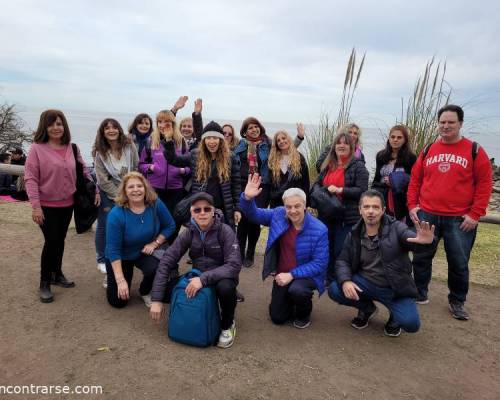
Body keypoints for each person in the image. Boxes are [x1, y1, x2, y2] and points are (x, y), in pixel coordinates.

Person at [407, 104, 493, 320]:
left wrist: (476, 214)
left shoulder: (474, 150)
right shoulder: (429, 149)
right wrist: (412, 206)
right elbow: (415, 179)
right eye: (442, 122)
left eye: (451, 122)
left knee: (458, 261)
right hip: (427, 214)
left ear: (460, 124)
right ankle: (420, 292)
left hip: (459, 219)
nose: (446, 126)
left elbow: (485, 183)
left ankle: (457, 300)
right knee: (421, 257)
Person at [328, 190, 435, 337]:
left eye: (375, 207)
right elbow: (342, 260)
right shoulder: (354, 232)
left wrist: (425, 242)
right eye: (366, 207)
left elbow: (411, 240)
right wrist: (346, 281)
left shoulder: (397, 228)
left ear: (383, 210)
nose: (370, 211)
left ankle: (394, 315)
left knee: (411, 324)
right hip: (365, 283)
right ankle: (367, 308)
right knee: (335, 288)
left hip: (394, 288)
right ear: (360, 210)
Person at [24, 109, 100, 303]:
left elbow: (84, 171)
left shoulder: (71, 147)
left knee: (60, 239)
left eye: (59, 123)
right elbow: (30, 178)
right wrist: (35, 206)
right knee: (52, 242)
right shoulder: (36, 149)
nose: (56, 127)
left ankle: (57, 274)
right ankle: (44, 282)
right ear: (44, 126)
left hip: (67, 204)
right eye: (51, 124)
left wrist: (96, 189)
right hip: (46, 205)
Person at [150, 192, 242, 348]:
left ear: (213, 211)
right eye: (197, 210)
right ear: (191, 212)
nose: (202, 213)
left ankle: (227, 324)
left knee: (226, 289)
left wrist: (202, 279)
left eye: (207, 209)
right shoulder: (189, 232)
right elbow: (166, 261)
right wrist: (156, 300)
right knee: (167, 292)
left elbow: (234, 265)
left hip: (221, 277)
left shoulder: (225, 231)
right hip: (198, 276)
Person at [240, 174, 329, 328]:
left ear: (305, 205)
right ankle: (290, 300)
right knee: (277, 317)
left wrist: (292, 275)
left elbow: (319, 264)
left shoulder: (320, 229)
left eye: (297, 206)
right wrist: (247, 198)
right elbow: (253, 215)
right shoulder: (278, 214)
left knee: (298, 291)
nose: (292, 210)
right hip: (283, 273)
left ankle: (304, 313)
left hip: (307, 275)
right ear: (284, 206)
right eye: (288, 206)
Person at [234, 117, 305, 267]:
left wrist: (299, 138)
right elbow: (232, 158)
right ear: (245, 132)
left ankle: (250, 253)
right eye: (250, 128)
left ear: (260, 127)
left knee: (254, 219)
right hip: (245, 185)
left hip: (263, 186)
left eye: (256, 126)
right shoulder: (241, 144)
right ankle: (238, 253)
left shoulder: (268, 143)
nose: (254, 130)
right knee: (242, 221)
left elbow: (286, 149)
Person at [105, 172, 176, 308]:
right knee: (118, 302)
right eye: (131, 187)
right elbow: (113, 250)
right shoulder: (116, 214)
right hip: (122, 255)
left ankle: (144, 291)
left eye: (139, 186)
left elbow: (170, 225)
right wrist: (120, 281)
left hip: (144, 250)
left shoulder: (155, 203)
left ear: (145, 188)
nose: (136, 190)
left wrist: (156, 243)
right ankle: (115, 277)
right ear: (125, 191)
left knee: (155, 268)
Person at [311, 131, 369, 283]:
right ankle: (328, 277)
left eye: (345, 143)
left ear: (351, 147)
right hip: (326, 214)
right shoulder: (329, 165)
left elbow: (363, 191)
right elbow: (317, 183)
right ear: (334, 146)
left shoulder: (358, 166)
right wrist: (318, 191)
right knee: (325, 248)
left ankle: (342, 279)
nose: (341, 145)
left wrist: (340, 190)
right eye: (339, 143)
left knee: (340, 250)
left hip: (346, 217)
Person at [164, 120, 241, 227]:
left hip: (222, 207)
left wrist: (237, 208)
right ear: (204, 140)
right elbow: (174, 160)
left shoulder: (230, 157)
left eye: (215, 138)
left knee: (222, 239)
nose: (212, 141)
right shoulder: (196, 155)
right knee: (199, 239)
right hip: (201, 208)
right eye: (208, 138)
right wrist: (168, 140)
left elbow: (236, 185)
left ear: (221, 140)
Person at [93, 118, 139, 287]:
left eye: (114, 127)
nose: (111, 130)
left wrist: (131, 191)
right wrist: (119, 196)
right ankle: (102, 259)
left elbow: (135, 167)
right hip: (109, 193)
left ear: (119, 130)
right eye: (107, 128)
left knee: (125, 227)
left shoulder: (129, 146)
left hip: (129, 191)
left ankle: (123, 260)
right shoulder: (100, 152)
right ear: (103, 132)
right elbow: (103, 179)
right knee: (106, 226)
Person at [138, 109, 190, 242]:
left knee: (174, 221)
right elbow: (141, 165)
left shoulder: (182, 142)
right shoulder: (151, 142)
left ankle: (171, 250)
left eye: (166, 121)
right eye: (159, 122)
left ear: (172, 123)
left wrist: (183, 171)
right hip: (155, 189)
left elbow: (191, 166)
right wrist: (151, 167)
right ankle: (155, 249)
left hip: (176, 190)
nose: (162, 125)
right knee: (155, 221)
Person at [372, 125, 417, 223]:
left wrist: (396, 182)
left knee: (398, 228)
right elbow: (376, 179)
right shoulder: (381, 156)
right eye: (392, 137)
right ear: (389, 138)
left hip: (400, 200)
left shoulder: (411, 158)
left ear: (405, 140)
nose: (395, 140)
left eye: (399, 137)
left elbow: (413, 182)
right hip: (382, 197)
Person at [268, 128, 310, 208]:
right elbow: (271, 184)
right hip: (277, 204)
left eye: (284, 138)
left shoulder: (299, 158)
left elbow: (305, 183)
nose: (281, 141)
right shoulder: (273, 160)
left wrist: (305, 203)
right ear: (276, 144)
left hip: (295, 203)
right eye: (278, 140)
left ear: (289, 139)